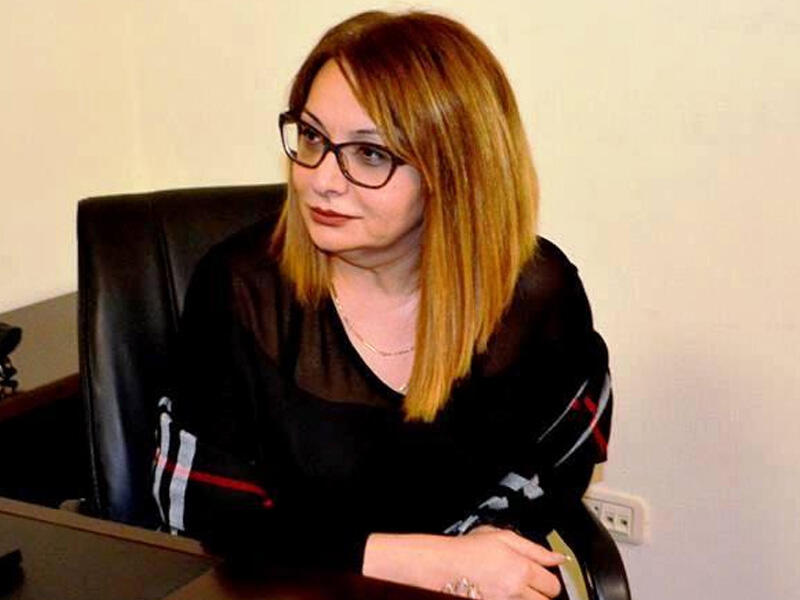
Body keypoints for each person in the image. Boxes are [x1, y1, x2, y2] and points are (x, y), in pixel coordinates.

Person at [152, 10, 613, 600]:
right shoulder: (242, 289)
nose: (321, 179)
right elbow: (201, 511)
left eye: (369, 154)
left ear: (455, 172)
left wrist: (475, 555)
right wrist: (419, 561)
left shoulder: (533, 294)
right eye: (312, 137)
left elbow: (556, 463)